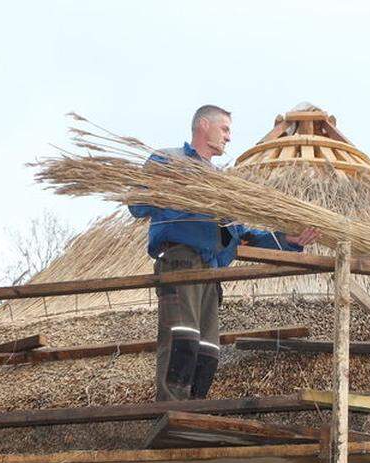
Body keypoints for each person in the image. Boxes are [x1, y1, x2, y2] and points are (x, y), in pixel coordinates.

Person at [128, 104, 320, 401]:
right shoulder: (169, 160)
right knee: (183, 338)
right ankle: (170, 410)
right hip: (182, 262)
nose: (229, 137)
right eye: (225, 129)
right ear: (204, 125)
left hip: (212, 272)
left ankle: (196, 408)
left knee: (208, 350)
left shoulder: (223, 184)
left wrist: (288, 239)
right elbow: (136, 205)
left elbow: (240, 236)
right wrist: (179, 187)